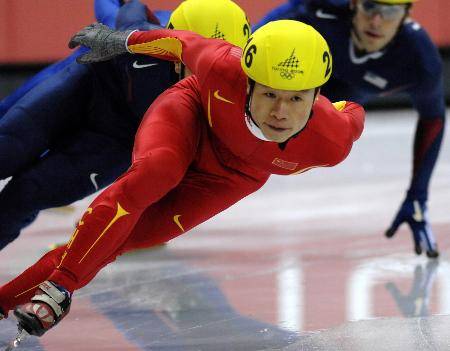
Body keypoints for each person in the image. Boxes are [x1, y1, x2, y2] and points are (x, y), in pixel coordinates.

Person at [0, 19, 364, 336]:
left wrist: (335, 111)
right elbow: (181, 42)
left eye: (297, 99)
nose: (281, 113)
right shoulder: (223, 66)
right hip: (190, 114)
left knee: (120, 240)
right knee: (156, 172)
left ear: (317, 94)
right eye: (268, 93)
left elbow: (353, 112)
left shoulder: (330, 142)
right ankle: (61, 287)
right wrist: (122, 41)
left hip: (233, 175)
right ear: (248, 82)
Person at [0, 0, 250, 251]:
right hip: (86, 87)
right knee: (7, 149)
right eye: (198, 61)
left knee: (26, 194)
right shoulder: (139, 36)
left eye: (221, 66)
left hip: (119, 141)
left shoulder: (243, 92)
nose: (210, 73)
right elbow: (120, 10)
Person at [255, 0, 445, 258]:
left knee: (330, 136)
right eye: (370, 7)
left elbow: (433, 118)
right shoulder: (322, 10)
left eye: (389, 12)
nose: (376, 21)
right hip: (292, 73)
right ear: (354, 4)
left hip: (340, 100)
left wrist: (418, 195)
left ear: (406, 14)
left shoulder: (420, 61)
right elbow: (252, 47)